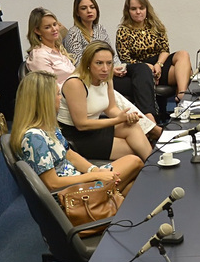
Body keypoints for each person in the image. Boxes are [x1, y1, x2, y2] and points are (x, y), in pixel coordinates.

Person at [9, 71, 141, 196]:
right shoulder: (34, 138)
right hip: (71, 194)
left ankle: (111, 204)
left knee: (133, 184)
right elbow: (52, 184)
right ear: (45, 101)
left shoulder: (48, 126)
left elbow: (69, 154)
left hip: (79, 179)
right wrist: (94, 176)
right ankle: (108, 204)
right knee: (135, 163)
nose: (61, 98)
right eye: (58, 94)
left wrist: (95, 170)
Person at [64, 0, 159, 119]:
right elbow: (79, 64)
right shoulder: (73, 33)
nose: (89, 11)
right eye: (84, 8)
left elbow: (111, 54)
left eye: (92, 7)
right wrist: (110, 70)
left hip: (113, 70)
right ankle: (149, 118)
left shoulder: (99, 29)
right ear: (77, 13)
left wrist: (118, 68)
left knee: (142, 68)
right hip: (97, 77)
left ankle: (149, 116)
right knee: (141, 84)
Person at [58, 41, 152, 161]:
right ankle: (153, 164)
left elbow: (111, 108)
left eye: (109, 63)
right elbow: (81, 124)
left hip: (94, 127)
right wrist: (117, 120)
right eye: (99, 63)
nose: (105, 69)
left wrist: (126, 117)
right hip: (76, 135)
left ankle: (155, 165)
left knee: (133, 127)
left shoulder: (106, 79)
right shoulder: (75, 83)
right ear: (88, 63)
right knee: (135, 150)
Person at [115, 0, 192, 102]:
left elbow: (165, 50)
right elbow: (125, 59)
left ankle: (181, 95)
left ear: (146, 9)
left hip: (160, 62)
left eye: (141, 8)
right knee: (187, 73)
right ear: (128, 11)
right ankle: (182, 102)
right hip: (140, 68)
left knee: (183, 54)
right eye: (133, 9)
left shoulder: (156, 26)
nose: (138, 12)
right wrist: (147, 66)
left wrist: (158, 64)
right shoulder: (123, 31)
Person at [25, 7, 75, 87]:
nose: (54, 29)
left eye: (55, 24)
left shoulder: (58, 48)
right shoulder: (39, 56)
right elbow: (50, 88)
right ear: (37, 31)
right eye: (47, 27)